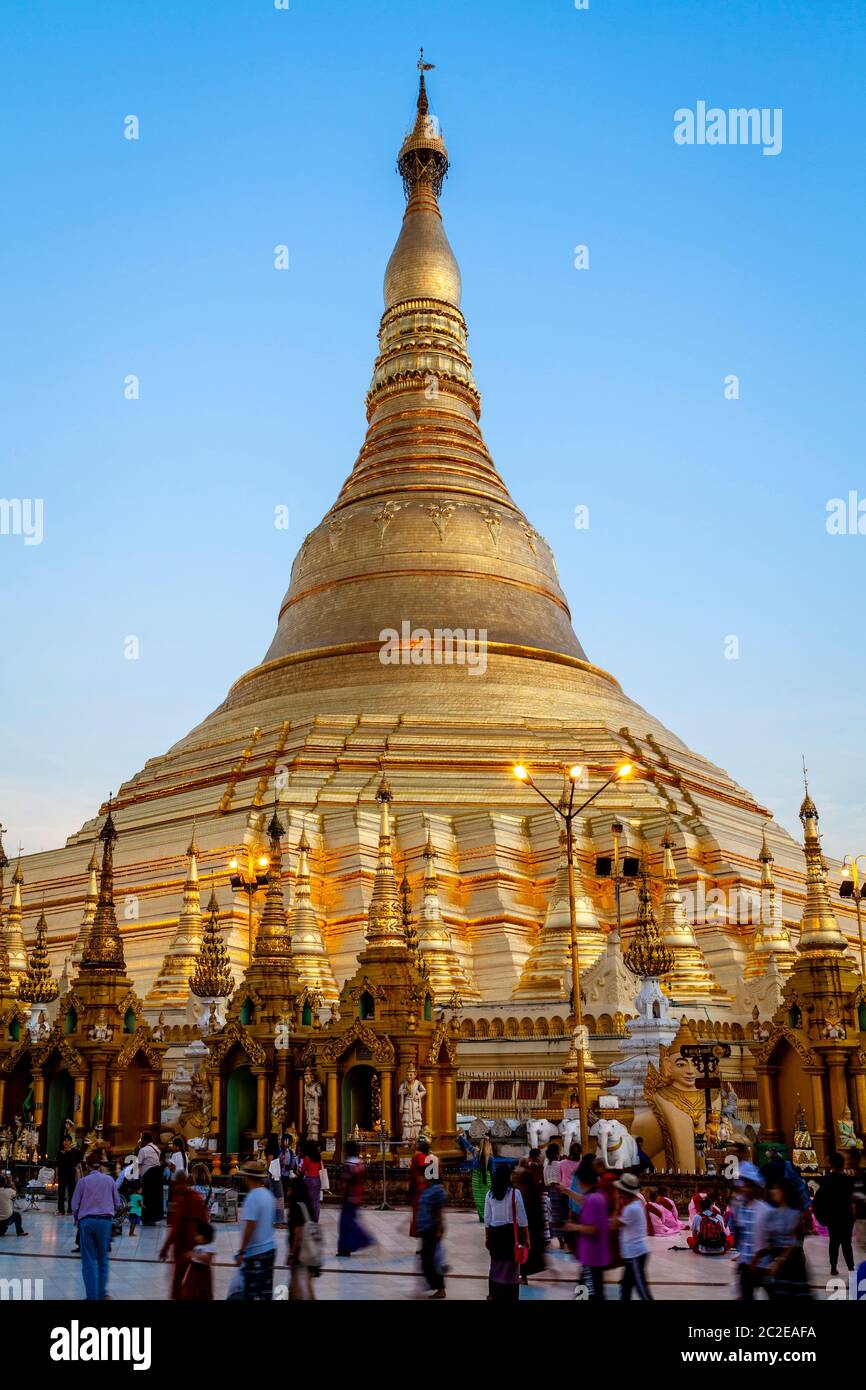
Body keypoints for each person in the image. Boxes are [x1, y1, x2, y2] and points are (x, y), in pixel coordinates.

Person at [71, 1151, 120, 1300]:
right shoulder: (109, 1180)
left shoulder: (83, 1182)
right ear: (99, 1166)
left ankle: (91, 1297)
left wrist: (77, 1220)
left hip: (87, 1222)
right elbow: (117, 1203)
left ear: (87, 1166)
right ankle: (102, 1294)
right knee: (103, 1260)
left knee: (89, 1261)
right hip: (105, 1222)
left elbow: (74, 1205)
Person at [752, 1178, 811, 1299]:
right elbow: (770, 1239)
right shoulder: (773, 1213)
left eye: (776, 1188)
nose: (773, 1191)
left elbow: (794, 1241)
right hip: (776, 1259)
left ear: (784, 1192)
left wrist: (779, 1261)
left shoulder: (794, 1214)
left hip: (792, 1262)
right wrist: (759, 1256)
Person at [159, 1170, 209, 1299]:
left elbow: (203, 1225)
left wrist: (199, 1248)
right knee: (176, 1285)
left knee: (194, 1285)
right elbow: (175, 1228)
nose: (176, 1188)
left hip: (193, 1249)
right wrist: (165, 1247)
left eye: (178, 1184)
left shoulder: (194, 1199)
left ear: (185, 1183)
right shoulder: (180, 1200)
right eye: (174, 1185)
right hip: (180, 1249)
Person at [484, 1162, 529, 1302]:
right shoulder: (515, 1194)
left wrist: (487, 1238)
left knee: (496, 1267)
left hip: (495, 1236)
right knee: (511, 1269)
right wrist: (527, 1237)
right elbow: (522, 1218)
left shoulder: (489, 1195)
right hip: (511, 1236)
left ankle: (494, 1294)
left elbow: (487, 1219)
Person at [569, 1157, 611, 1302]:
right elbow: (582, 1200)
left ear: (581, 1181)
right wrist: (566, 1191)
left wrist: (573, 1227)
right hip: (594, 1257)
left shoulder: (593, 1199)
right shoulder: (598, 1195)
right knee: (591, 1293)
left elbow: (593, 1229)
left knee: (586, 1295)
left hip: (591, 1257)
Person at [234, 1160, 277, 1300]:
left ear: (248, 1178)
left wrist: (242, 1251)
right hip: (270, 1249)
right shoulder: (269, 1195)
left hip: (256, 1253)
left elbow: (250, 1226)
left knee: (250, 1294)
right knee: (265, 1293)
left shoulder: (252, 1197)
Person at [728, 1162, 770, 1300]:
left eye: (748, 1186)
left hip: (763, 1264)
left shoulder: (764, 1210)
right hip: (746, 1264)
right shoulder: (740, 1208)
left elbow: (769, 1239)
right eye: (742, 1186)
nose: (744, 1189)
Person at [812, 1151, 855, 1278]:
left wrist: (822, 1218)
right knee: (847, 1243)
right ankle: (851, 1267)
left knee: (834, 1243)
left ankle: (833, 1267)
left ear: (831, 1165)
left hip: (833, 1218)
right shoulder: (849, 1181)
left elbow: (818, 1201)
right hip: (846, 1216)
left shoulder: (826, 1181)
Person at [614, 1173, 652, 1300]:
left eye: (620, 1192)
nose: (618, 1195)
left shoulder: (631, 1209)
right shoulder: (635, 1206)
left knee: (642, 1290)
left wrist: (614, 1205)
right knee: (626, 1287)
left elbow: (615, 1224)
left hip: (635, 1254)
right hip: (632, 1254)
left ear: (625, 1193)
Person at [286, 1173, 320, 1301]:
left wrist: (292, 1253)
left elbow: (298, 1232)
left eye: (289, 1188)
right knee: (307, 1285)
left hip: (301, 1252)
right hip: (312, 1250)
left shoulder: (296, 1207)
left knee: (296, 1284)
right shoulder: (307, 1205)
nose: (288, 1191)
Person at [512, 1157, 546, 1284]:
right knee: (528, 1247)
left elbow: (522, 1198)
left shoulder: (524, 1178)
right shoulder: (530, 1178)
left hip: (526, 1220)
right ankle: (522, 1274)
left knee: (524, 1247)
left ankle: (522, 1275)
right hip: (533, 1218)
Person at [337, 1140, 373, 1257]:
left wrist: (343, 1196)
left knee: (345, 1223)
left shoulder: (349, 1165)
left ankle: (350, 1245)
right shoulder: (360, 1164)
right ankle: (350, 1245)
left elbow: (345, 1182)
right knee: (350, 1222)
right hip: (357, 1196)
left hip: (349, 1197)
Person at [417, 1164, 447, 1298]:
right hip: (425, 1229)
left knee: (431, 1261)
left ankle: (440, 1288)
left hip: (432, 1228)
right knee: (427, 1260)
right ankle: (437, 1286)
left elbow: (439, 1211)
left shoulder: (437, 1190)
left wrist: (440, 1228)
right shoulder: (428, 1189)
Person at [179, 1218, 215, 1300]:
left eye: (198, 1234)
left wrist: (195, 1255)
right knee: (190, 1290)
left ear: (205, 1236)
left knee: (201, 1291)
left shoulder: (209, 1246)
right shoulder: (198, 1245)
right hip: (193, 1270)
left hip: (202, 1272)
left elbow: (207, 1259)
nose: (195, 1236)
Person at [137, 1131, 164, 1225]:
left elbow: (138, 1164)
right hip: (157, 1174)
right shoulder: (156, 1148)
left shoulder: (143, 1150)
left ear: (145, 1141)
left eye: (142, 1140)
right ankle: (154, 1218)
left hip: (149, 1176)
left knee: (147, 1197)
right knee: (155, 1198)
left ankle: (147, 1218)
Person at [408, 1137, 433, 1238]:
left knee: (419, 1215)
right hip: (424, 1190)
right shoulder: (424, 1157)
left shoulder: (416, 1157)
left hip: (418, 1190)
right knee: (425, 1216)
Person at [544, 1141, 566, 1248]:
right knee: (564, 1215)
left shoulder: (546, 1167)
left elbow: (545, 1182)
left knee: (556, 1216)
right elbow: (564, 1178)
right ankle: (565, 1239)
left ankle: (560, 1240)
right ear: (557, 1153)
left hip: (551, 1191)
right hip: (561, 1190)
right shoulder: (560, 1164)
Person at [298, 1140, 323, 1222]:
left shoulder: (307, 1158)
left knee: (308, 1200)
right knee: (316, 1200)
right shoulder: (318, 1158)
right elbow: (320, 1169)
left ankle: (309, 1217)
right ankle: (316, 1218)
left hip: (309, 1180)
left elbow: (302, 1171)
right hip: (317, 1180)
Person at [56, 1134, 80, 1216]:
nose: (66, 1142)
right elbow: (57, 1165)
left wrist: (77, 1174)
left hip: (71, 1174)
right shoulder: (60, 1152)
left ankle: (70, 1210)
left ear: (70, 1142)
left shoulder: (74, 1152)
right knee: (61, 1193)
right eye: (64, 1141)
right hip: (62, 1174)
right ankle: (61, 1210)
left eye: (68, 1140)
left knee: (71, 1193)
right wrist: (56, 1176)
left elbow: (77, 1165)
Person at [471, 1135, 492, 1222]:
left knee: (478, 1200)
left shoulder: (476, 1154)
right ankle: (487, 1216)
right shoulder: (491, 1158)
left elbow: (468, 1146)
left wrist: (461, 1138)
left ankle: (481, 1216)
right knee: (486, 1199)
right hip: (487, 1181)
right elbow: (493, 1171)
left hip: (476, 1181)